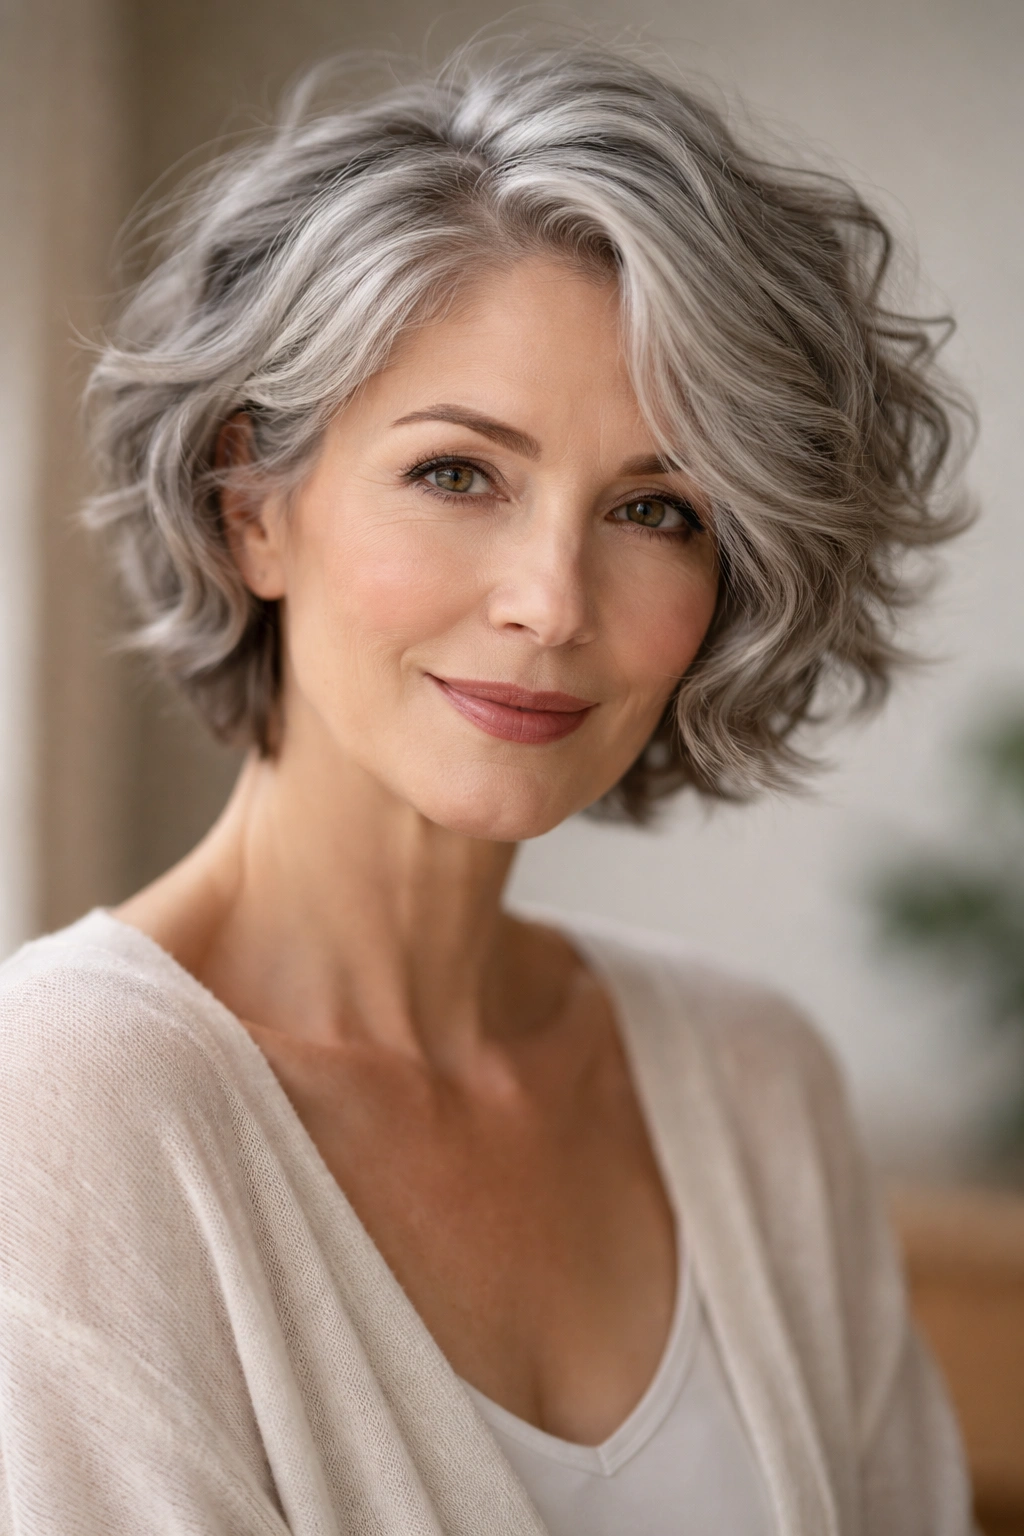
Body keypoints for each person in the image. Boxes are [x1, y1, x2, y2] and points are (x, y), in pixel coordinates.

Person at [0, 42, 975, 1536]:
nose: (552, 599)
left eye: (657, 509)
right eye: (460, 472)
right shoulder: (65, 1102)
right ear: (250, 503)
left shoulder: (753, 1081)